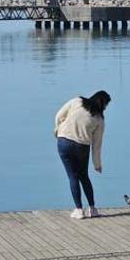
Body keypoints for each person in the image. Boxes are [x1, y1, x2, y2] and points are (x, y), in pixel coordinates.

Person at [54, 90, 111, 219]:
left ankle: (79, 210)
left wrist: (57, 130)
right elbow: (97, 145)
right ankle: (92, 209)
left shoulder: (77, 101)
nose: (105, 108)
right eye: (106, 106)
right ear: (103, 104)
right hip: (82, 147)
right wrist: (97, 164)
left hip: (64, 142)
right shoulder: (99, 120)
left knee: (72, 177)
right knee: (84, 176)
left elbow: (59, 116)